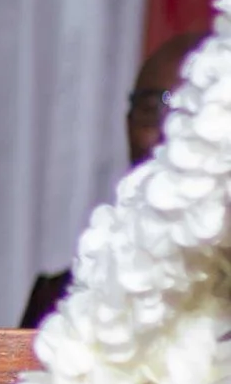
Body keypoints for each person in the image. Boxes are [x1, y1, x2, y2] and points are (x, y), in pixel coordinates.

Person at [23, 29, 199, 327]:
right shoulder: (60, 299)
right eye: (152, 109)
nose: (169, 132)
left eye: (191, 112)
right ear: (128, 123)